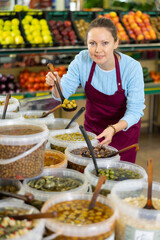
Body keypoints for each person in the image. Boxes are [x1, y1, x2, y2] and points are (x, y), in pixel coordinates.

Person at [45, 17, 145, 163]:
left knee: (118, 179)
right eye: (92, 43)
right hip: (92, 132)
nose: (98, 50)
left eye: (105, 43)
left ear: (116, 43)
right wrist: (56, 84)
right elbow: (62, 95)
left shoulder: (131, 68)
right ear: (87, 43)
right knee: (91, 173)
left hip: (122, 134)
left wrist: (113, 129)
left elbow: (135, 111)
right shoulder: (82, 60)